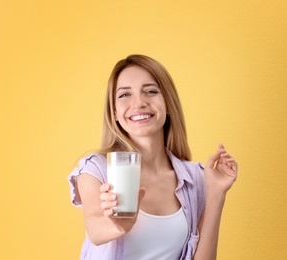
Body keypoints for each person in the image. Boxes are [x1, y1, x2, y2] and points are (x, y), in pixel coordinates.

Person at [68, 54, 238, 260]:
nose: (139, 103)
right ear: (114, 112)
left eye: (150, 91)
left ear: (167, 104)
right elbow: (95, 229)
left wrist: (216, 193)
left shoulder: (196, 178)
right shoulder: (97, 169)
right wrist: (118, 225)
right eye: (124, 95)